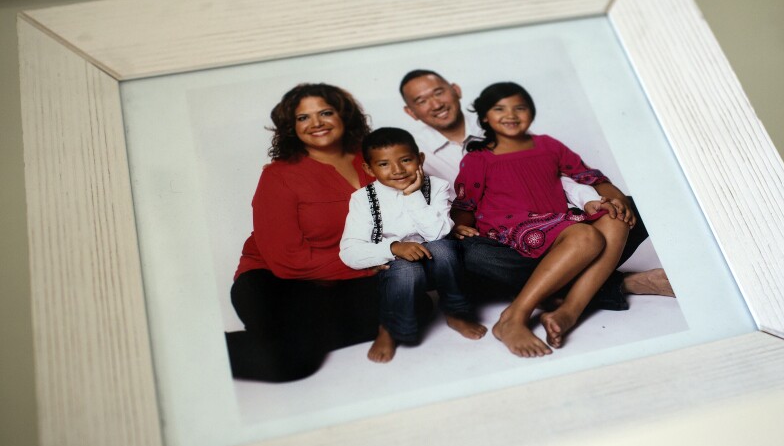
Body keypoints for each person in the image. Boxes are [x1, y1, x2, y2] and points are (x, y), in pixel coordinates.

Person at [399, 69, 674, 306]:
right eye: (421, 101)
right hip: (494, 241)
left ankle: (552, 291)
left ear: (455, 90)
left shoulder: (500, 120)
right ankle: (618, 285)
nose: (435, 104)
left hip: (549, 225)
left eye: (438, 92)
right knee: (468, 254)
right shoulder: (414, 155)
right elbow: (439, 208)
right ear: (410, 112)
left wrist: (594, 198)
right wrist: (456, 225)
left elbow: (552, 175)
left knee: (627, 208)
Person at [225, 83, 398, 382]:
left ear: (344, 115)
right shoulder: (279, 175)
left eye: (326, 112)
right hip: (275, 281)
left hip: (343, 280)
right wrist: (370, 262)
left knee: (416, 309)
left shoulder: (373, 159)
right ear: (292, 128)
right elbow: (287, 260)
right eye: (303, 118)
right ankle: (200, 351)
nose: (316, 123)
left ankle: (297, 333)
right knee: (290, 360)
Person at [451, 82, 632, 358]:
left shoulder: (549, 145)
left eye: (519, 108)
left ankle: (568, 312)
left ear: (531, 114)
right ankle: (514, 317)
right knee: (585, 236)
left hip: (558, 219)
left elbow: (589, 176)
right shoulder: (479, 158)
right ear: (485, 117)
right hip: (511, 225)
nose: (511, 115)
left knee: (616, 219)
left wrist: (616, 199)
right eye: (500, 109)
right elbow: (466, 202)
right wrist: (459, 227)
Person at [340, 127, 486, 362]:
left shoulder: (436, 186)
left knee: (445, 249)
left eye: (406, 160)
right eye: (384, 164)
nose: (397, 170)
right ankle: (390, 328)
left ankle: (455, 312)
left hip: (436, 262)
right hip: (397, 269)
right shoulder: (363, 199)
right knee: (407, 272)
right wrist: (393, 248)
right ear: (369, 168)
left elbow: (439, 232)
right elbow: (349, 251)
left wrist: (412, 194)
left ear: (420, 159)